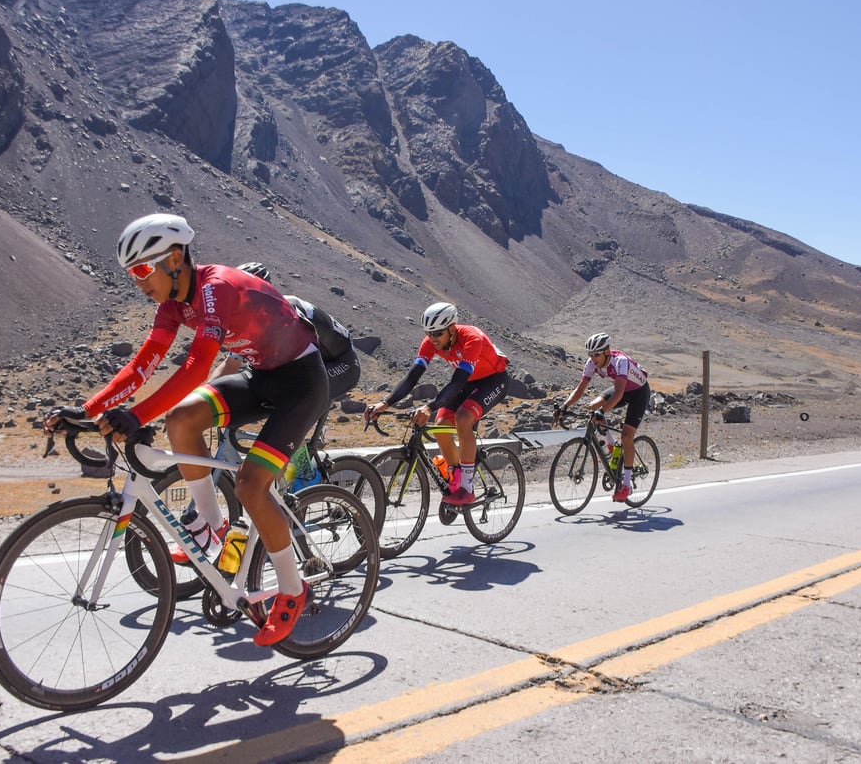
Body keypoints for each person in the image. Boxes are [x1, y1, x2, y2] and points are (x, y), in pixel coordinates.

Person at [43, 214, 325, 647]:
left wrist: (136, 416)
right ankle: (210, 520)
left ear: (174, 259)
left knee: (251, 486)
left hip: (302, 383)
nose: (138, 282)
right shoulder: (172, 305)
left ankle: (291, 588)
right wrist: (87, 409)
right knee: (181, 419)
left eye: (141, 270)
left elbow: (196, 367)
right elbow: (144, 363)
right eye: (130, 274)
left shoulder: (216, 290)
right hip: (262, 375)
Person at [365, 302, 510, 506]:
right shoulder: (430, 343)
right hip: (468, 382)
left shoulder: (472, 339)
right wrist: (385, 403)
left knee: (463, 418)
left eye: (438, 333)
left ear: (452, 329)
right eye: (429, 333)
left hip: (493, 380)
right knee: (441, 422)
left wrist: (428, 406)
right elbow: (412, 377)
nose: (433, 339)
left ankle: (466, 488)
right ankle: (456, 478)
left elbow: (457, 381)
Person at [234, 262, 361, 403]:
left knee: (293, 390)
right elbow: (230, 364)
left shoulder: (288, 310)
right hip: (314, 364)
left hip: (343, 363)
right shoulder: (246, 321)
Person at [554, 332, 652, 502]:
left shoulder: (620, 361)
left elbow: (620, 393)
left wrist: (603, 411)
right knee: (591, 407)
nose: (593, 358)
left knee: (627, 435)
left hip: (638, 392)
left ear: (606, 351)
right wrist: (564, 407)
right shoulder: (591, 363)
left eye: (596, 354)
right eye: (590, 355)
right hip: (620, 389)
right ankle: (611, 444)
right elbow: (580, 390)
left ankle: (626, 485)